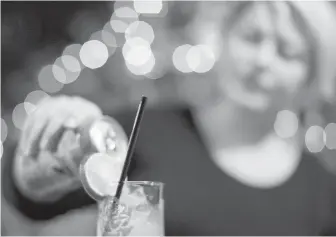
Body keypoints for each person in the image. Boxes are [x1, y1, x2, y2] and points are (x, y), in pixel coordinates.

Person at [2, 1, 336, 235]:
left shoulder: (322, 195)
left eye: (287, 51)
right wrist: (40, 162)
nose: (263, 60)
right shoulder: (143, 131)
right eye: (251, 37)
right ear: (225, 38)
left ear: (310, 77)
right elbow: (31, 200)